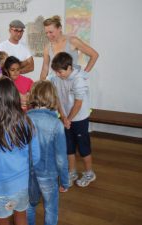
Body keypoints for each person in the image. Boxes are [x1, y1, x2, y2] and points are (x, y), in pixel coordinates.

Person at [0, 77, 38, 225]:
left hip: (0, 188)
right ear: (15, 97)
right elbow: (35, 156)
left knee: (2, 220)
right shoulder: (27, 121)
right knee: (21, 216)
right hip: (23, 184)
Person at [50, 52, 96, 187]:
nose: (58, 74)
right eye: (56, 72)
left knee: (83, 148)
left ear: (69, 67)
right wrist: (63, 117)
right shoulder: (56, 78)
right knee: (68, 147)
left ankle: (89, 173)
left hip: (80, 118)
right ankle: (72, 172)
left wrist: (68, 119)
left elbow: (78, 103)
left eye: (60, 72)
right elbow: (57, 98)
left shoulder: (79, 79)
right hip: (65, 118)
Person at [26, 80, 69, 225]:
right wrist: (64, 180)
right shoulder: (57, 124)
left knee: (29, 206)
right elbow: (61, 158)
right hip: (48, 175)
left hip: (27, 173)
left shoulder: (24, 119)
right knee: (51, 209)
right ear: (53, 98)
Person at [40, 15, 99, 80]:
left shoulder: (72, 41)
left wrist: (83, 75)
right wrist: (40, 87)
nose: (48, 35)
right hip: (56, 84)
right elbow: (45, 69)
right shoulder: (47, 48)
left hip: (73, 83)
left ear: (59, 28)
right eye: (46, 33)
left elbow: (94, 55)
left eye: (51, 32)